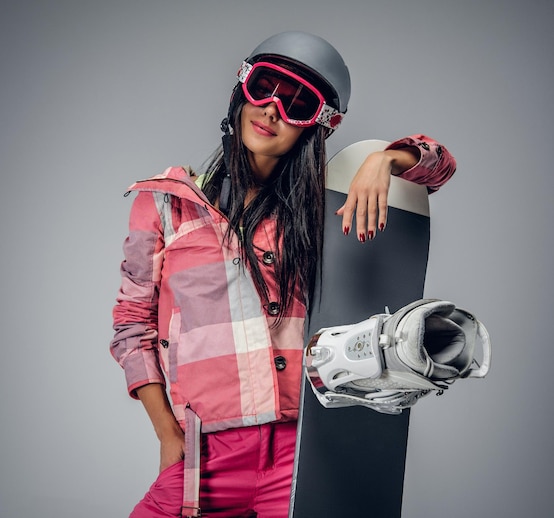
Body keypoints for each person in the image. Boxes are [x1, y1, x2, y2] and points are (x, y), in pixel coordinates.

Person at [110, 31, 456, 518]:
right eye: (265, 86)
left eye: (297, 102)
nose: (273, 109)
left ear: (318, 125)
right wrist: (167, 434)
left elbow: (439, 164)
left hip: (304, 451)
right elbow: (131, 323)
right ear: (241, 89)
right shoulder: (167, 204)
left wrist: (385, 158)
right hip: (207, 456)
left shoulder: (321, 207)